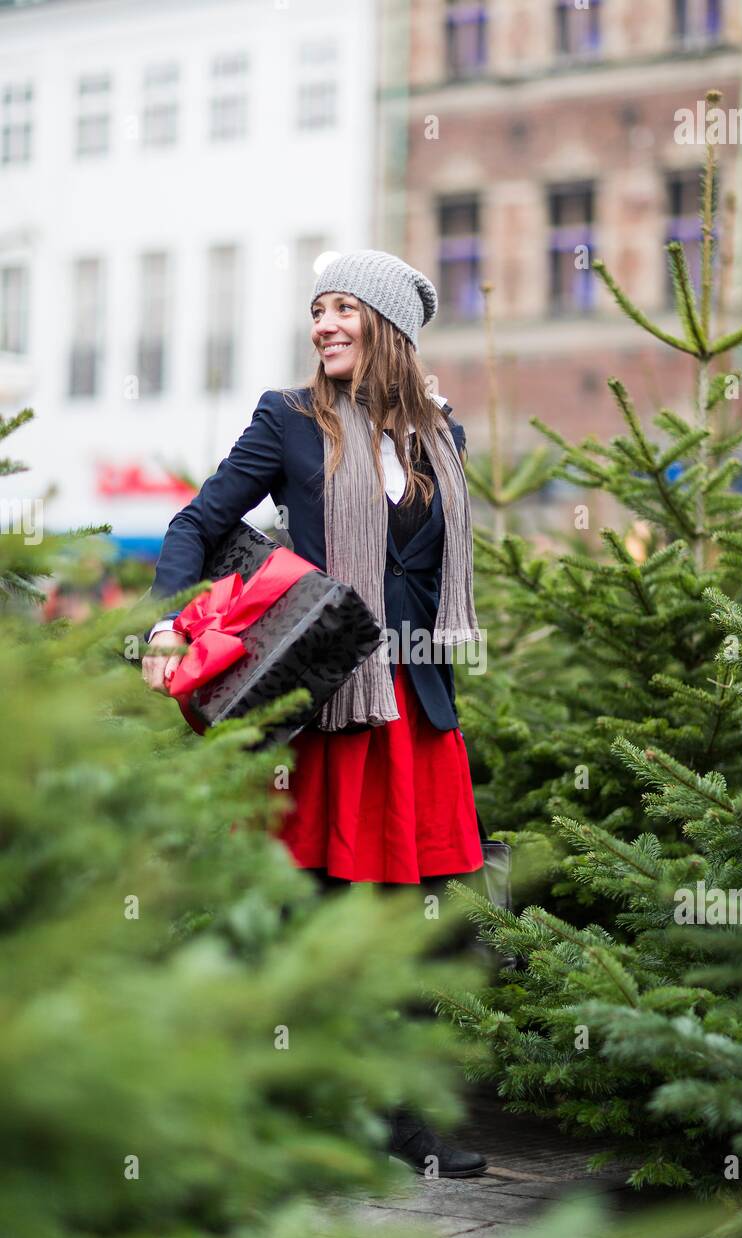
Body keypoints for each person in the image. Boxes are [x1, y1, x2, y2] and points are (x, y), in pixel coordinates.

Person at [142, 249, 488, 1177]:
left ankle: (402, 1121)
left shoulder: (439, 436)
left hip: (414, 705)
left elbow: (432, 570)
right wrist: (168, 629)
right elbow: (195, 524)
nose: (325, 324)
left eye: (345, 308)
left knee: (409, 922)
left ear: (389, 328)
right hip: (331, 704)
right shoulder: (288, 420)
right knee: (313, 912)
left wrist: (433, 419)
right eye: (317, 309)